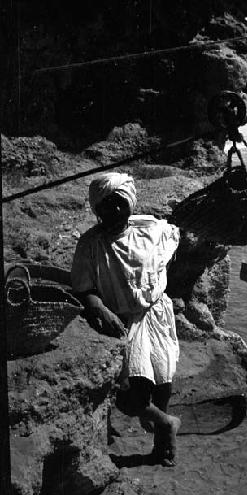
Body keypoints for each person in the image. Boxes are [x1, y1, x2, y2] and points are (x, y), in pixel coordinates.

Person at [71, 171, 181, 467]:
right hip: (122, 321)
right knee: (128, 396)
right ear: (97, 208)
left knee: (162, 383)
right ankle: (167, 423)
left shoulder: (150, 230)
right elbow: (84, 289)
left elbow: (171, 246)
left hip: (156, 313)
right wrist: (101, 309)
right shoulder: (90, 245)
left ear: (130, 202)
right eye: (106, 205)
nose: (114, 210)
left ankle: (162, 447)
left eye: (119, 203)